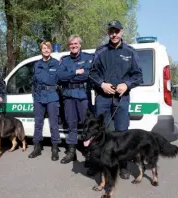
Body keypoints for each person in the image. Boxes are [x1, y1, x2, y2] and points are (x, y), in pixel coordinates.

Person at [89, 20, 143, 178]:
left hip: (122, 99)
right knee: (99, 133)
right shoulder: (100, 52)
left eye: (116, 31)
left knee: (122, 133)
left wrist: (126, 85)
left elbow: (138, 76)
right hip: (103, 98)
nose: (114, 34)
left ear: (121, 32)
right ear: (108, 33)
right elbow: (92, 73)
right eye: (111, 31)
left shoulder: (130, 52)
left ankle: (123, 165)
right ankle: (98, 164)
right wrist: (101, 84)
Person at [57, 34, 94, 164]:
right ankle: (71, 152)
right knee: (71, 124)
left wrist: (71, 75)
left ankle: (89, 152)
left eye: (76, 44)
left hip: (83, 95)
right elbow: (60, 77)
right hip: (68, 96)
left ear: (80, 44)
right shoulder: (64, 60)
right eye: (71, 44)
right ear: (69, 46)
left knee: (87, 125)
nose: (74, 46)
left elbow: (87, 75)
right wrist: (75, 72)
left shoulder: (89, 58)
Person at [28, 41, 61, 161]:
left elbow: (61, 79)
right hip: (39, 97)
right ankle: (37, 148)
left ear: (51, 50)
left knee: (54, 124)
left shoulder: (57, 63)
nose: (46, 50)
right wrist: (34, 95)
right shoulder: (36, 65)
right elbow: (33, 82)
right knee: (38, 124)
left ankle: (55, 148)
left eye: (48, 48)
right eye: (44, 48)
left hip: (52, 96)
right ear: (41, 50)